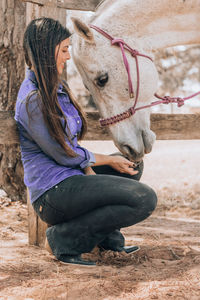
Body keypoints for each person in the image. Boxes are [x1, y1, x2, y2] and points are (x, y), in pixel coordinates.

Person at [15, 17, 157, 266]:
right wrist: (101, 165)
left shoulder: (56, 88)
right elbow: (63, 155)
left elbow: (71, 145)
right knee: (144, 199)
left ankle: (107, 241)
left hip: (71, 178)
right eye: (64, 50)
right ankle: (64, 239)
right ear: (47, 51)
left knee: (132, 165)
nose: (67, 57)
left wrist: (92, 168)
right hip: (52, 193)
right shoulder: (33, 100)